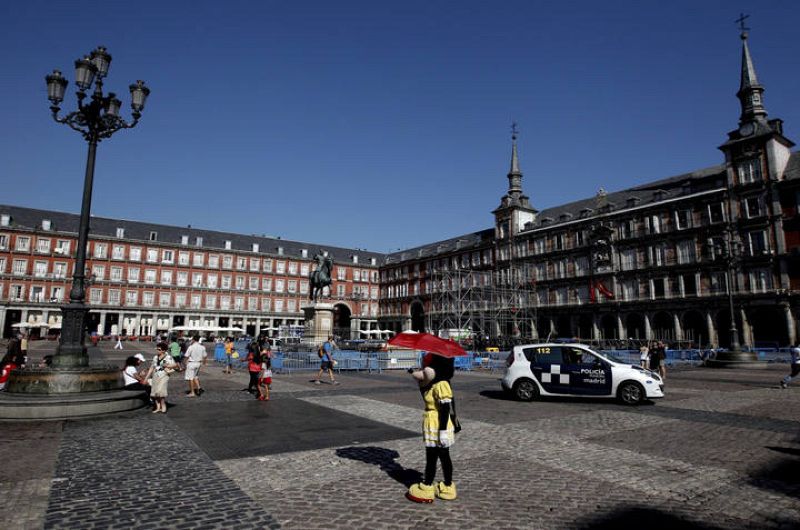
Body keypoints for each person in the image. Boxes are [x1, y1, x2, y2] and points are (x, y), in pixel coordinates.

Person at [406, 352, 458, 503]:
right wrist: (418, 378)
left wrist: (442, 431)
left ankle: (436, 485)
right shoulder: (433, 383)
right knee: (432, 456)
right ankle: (435, 484)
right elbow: (426, 392)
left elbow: (445, 408)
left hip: (438, 422)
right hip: (432, 421)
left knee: (441, 455)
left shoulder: (442, 384)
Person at [142, 342, 176, 413]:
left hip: (164, 375)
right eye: (157, 349)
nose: (157, 350)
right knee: (155, 392)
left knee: (160, 391)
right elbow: (151, 368)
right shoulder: (155, 357)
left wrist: (166, 365)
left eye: (159, 349)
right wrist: (146, 378)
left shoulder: (168, 357)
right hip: (155, 375)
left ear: (164, 350)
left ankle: (163, 405)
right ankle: (158, 407)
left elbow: (174, 365)